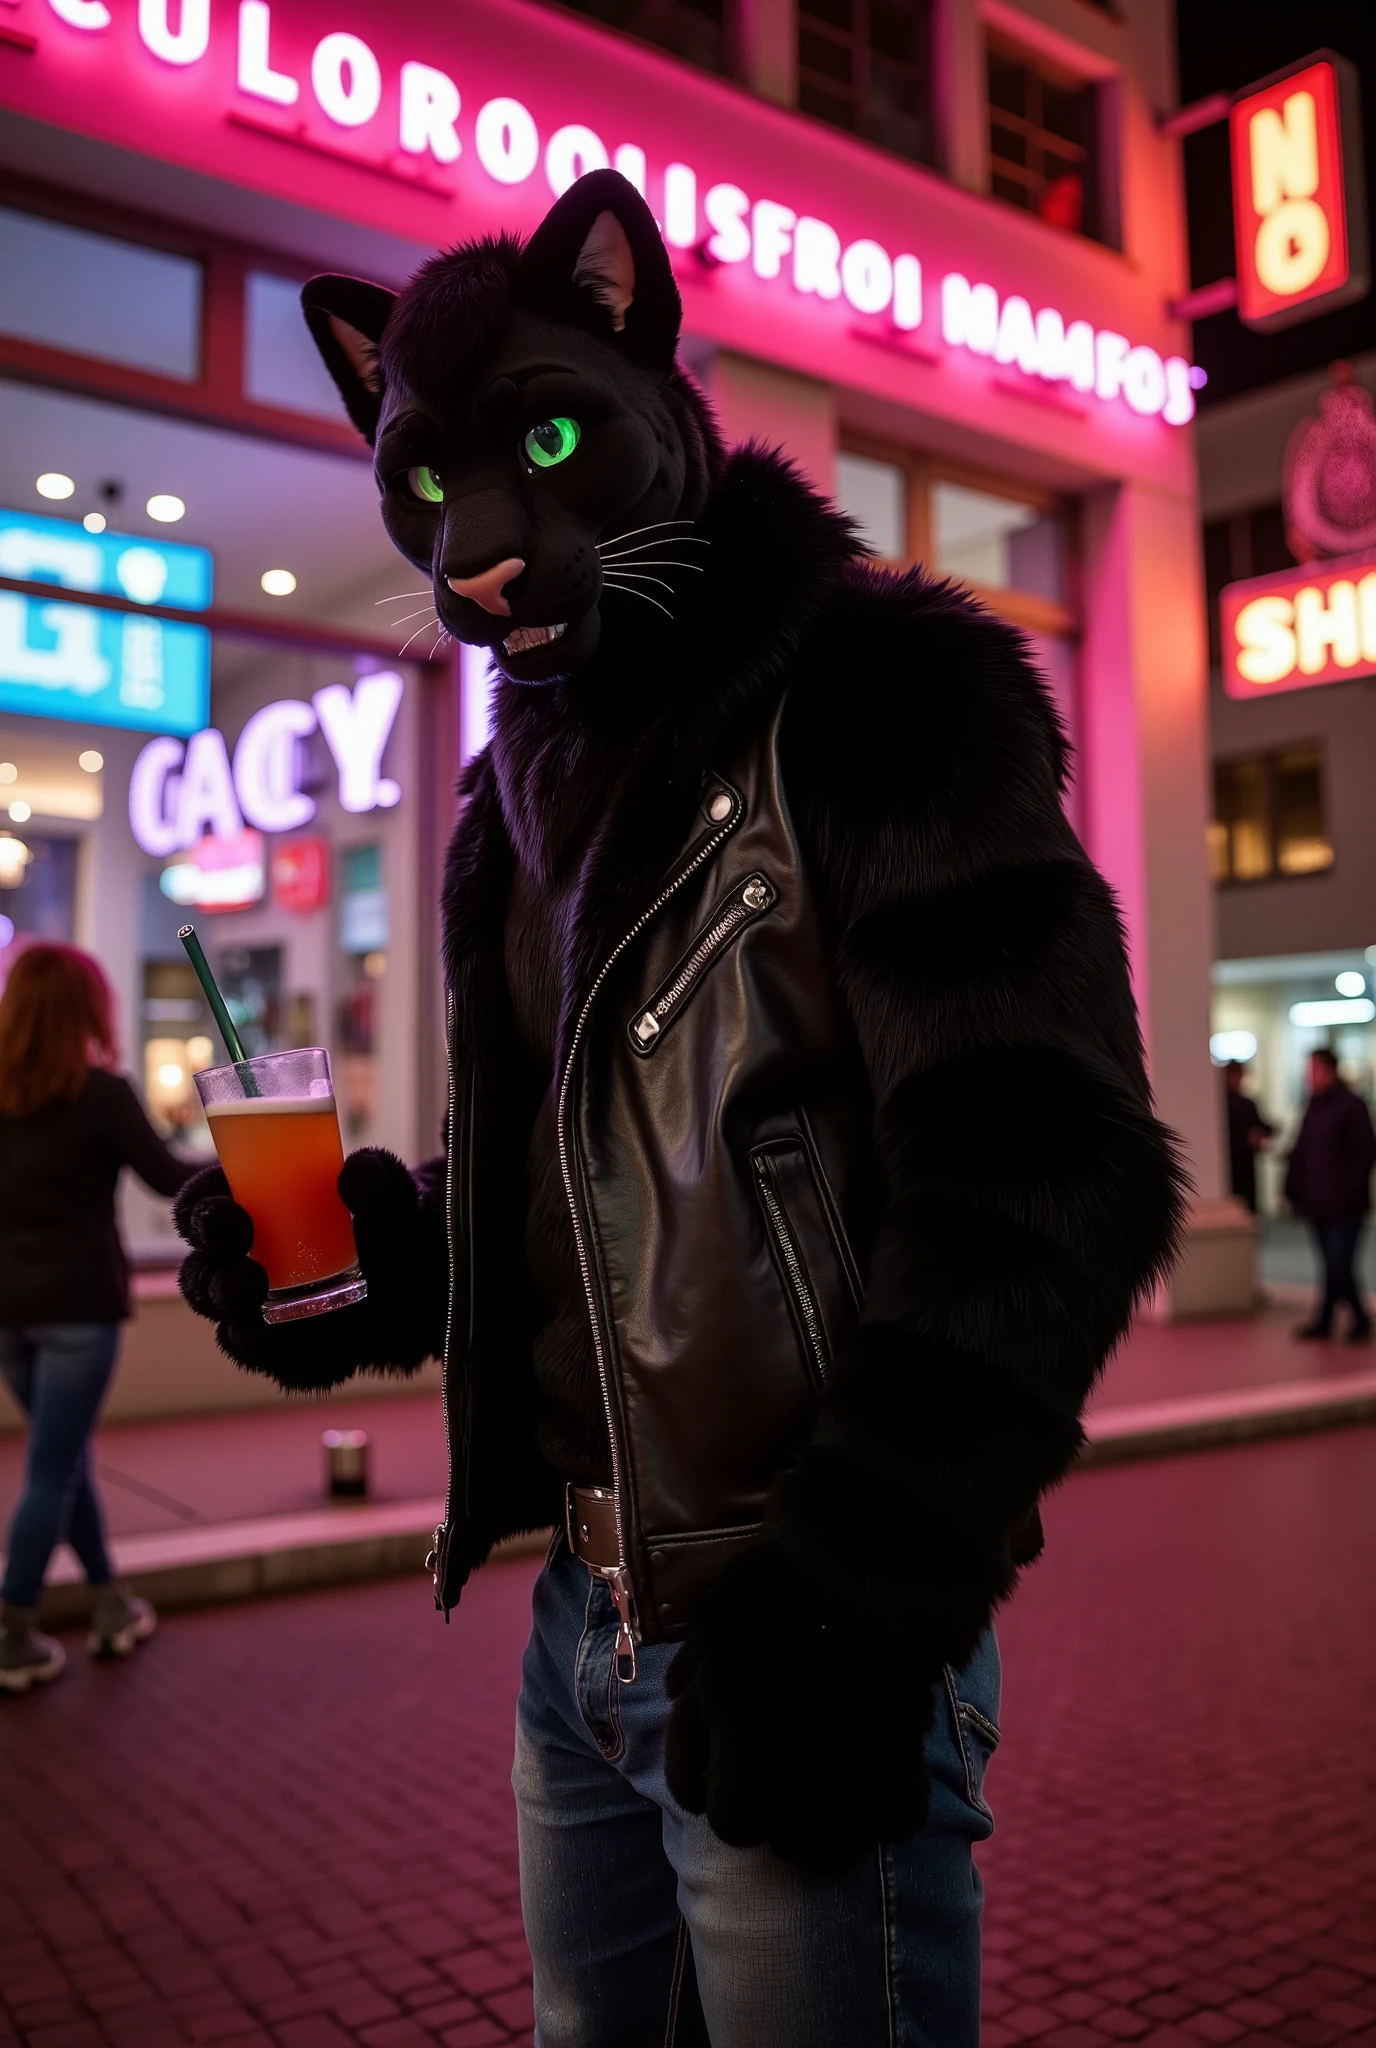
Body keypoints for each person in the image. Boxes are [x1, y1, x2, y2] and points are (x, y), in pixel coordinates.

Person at [177, 172, 1184, 2045]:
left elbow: (1047, 1177)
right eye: (426, 483)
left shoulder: (883, 689)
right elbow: (596, 1180)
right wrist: (376, 1260)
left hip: (798, 1610)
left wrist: (851, 1606)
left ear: (651, 367)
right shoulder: (521, 796)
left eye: (550, 436)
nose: (478, 542)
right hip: (579, 1615)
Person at [0, 943, 196, 1693]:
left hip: (8, 1314)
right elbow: (170, 1178)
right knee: (52, 1468)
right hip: (79, 1311)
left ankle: (111, 1604)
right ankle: (13, 1631)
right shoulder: (102, 1093)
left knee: (67, 1459)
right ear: (89, 1009)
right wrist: (248, 1157)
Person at [1286, 1046, 1376, 1343]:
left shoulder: (1351, 1105)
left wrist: (1346, 1191)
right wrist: (1292, 1187)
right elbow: (1301, 1151)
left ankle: (1356, 1319)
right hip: (1317, 1202)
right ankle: (1329, 1319)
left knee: (1340, 1262)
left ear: (1328, 1070)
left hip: (1346, 1204)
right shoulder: (1314, 1105)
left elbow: (1364, 1153)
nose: (1308, 1075)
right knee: (1330, 1262)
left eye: (1313, 1069)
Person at [1224, 1060, 1273, 1214]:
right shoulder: (1222, 1104)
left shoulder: (1247, 1103)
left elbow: (1260, 1125)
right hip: (1230, 1165)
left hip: (1245, 1165)